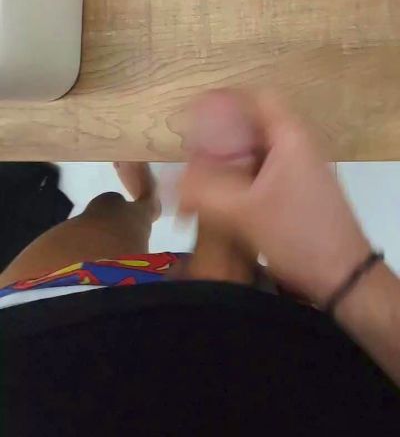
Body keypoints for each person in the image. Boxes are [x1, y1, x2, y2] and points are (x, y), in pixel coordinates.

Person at [0, 90, 399, 436]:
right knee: (238, 262)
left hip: (53, 322)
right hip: (278, 356)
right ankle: (220, 221)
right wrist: (342, 271)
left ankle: (147, 202)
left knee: (107, 208)